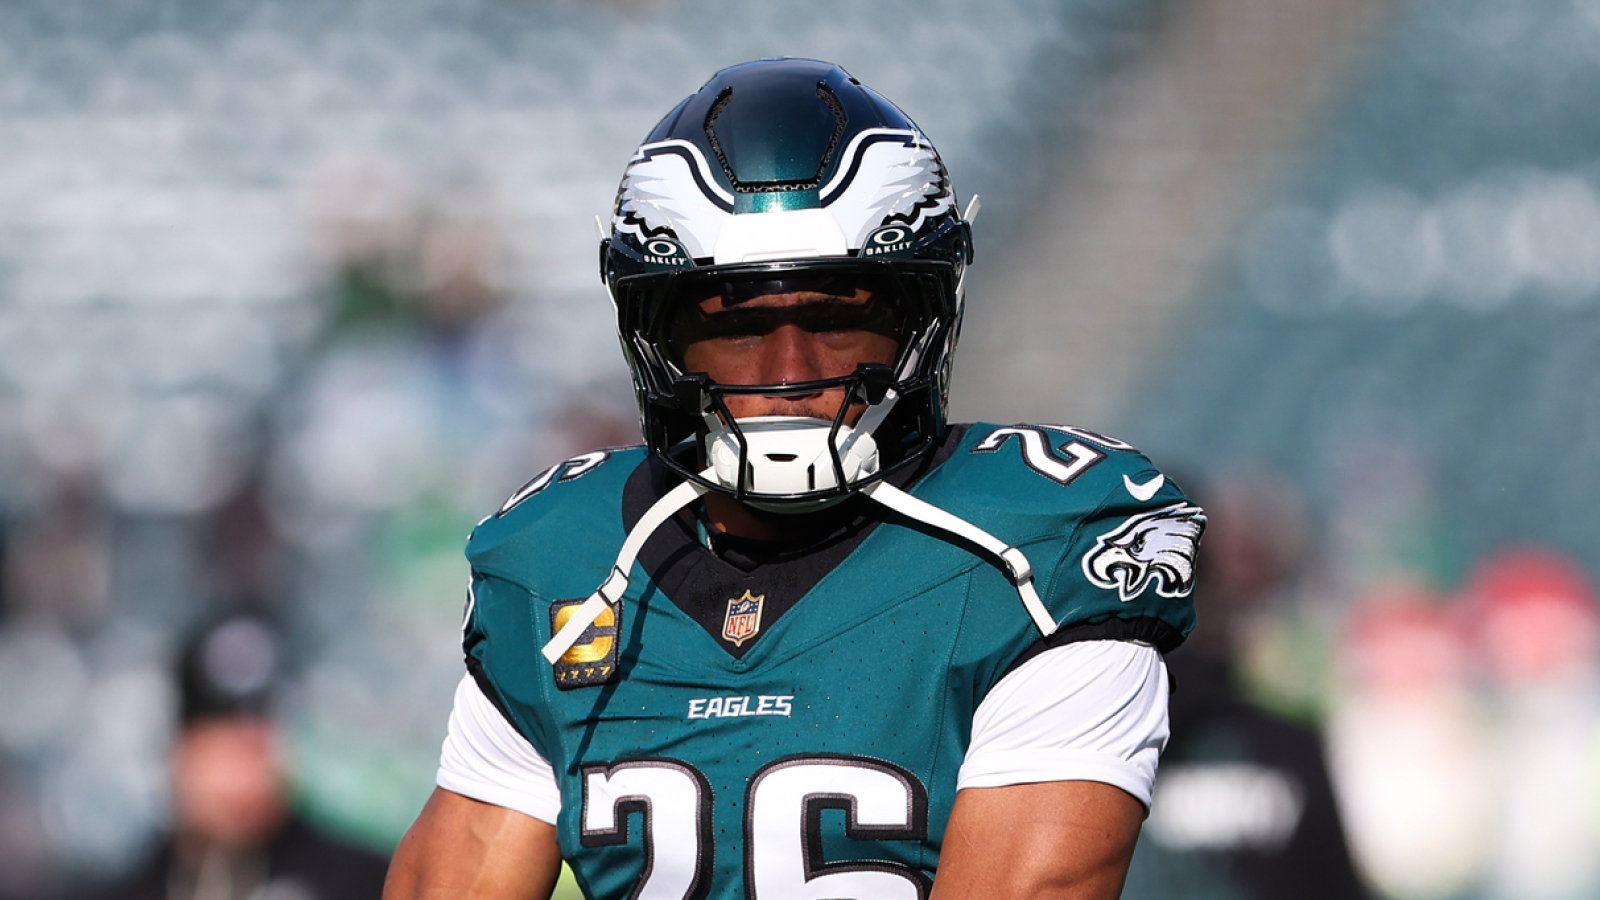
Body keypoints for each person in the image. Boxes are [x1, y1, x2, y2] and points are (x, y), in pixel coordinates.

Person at [385, 58, 1205, 900]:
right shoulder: (561, 558)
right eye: (738, 328)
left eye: (839, 320)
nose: (791, 374)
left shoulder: (1038, 551)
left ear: (922, 320)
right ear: (657, 339)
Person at [95, 614, 391, 900]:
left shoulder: (365, 883)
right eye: (222, 752)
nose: (243, 777)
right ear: (180, 752)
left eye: (254, 750)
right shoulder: (128, 892)